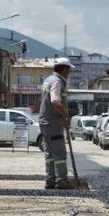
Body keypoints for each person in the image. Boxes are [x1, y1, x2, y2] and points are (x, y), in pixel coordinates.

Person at [39, 57, 75, 190]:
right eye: (69, 70)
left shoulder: (48, 80)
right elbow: (55, 101)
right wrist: (65, 116)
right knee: (59, 153)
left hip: (44, 121)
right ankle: (62, 181)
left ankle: (50, 180)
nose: (70, 73)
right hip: (53, 122)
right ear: (64, 69)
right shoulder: (57, 82)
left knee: (49, 153)